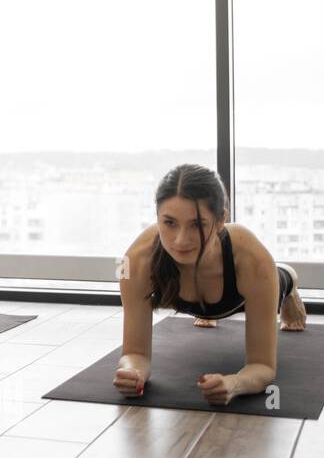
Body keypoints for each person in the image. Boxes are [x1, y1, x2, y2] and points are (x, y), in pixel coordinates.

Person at [114, 163, 307, 406]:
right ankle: (207, 310)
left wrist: (234, 384)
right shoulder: (136, 261)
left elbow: (262, 366)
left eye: (197, 224)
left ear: (220, 221)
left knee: (279, 279)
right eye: (169, 223)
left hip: (238, 298)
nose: (180, 240)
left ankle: (291, 281)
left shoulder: (251, 259)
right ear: (157, 218)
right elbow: (135, 354)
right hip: (190, 295)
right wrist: (133, 373)